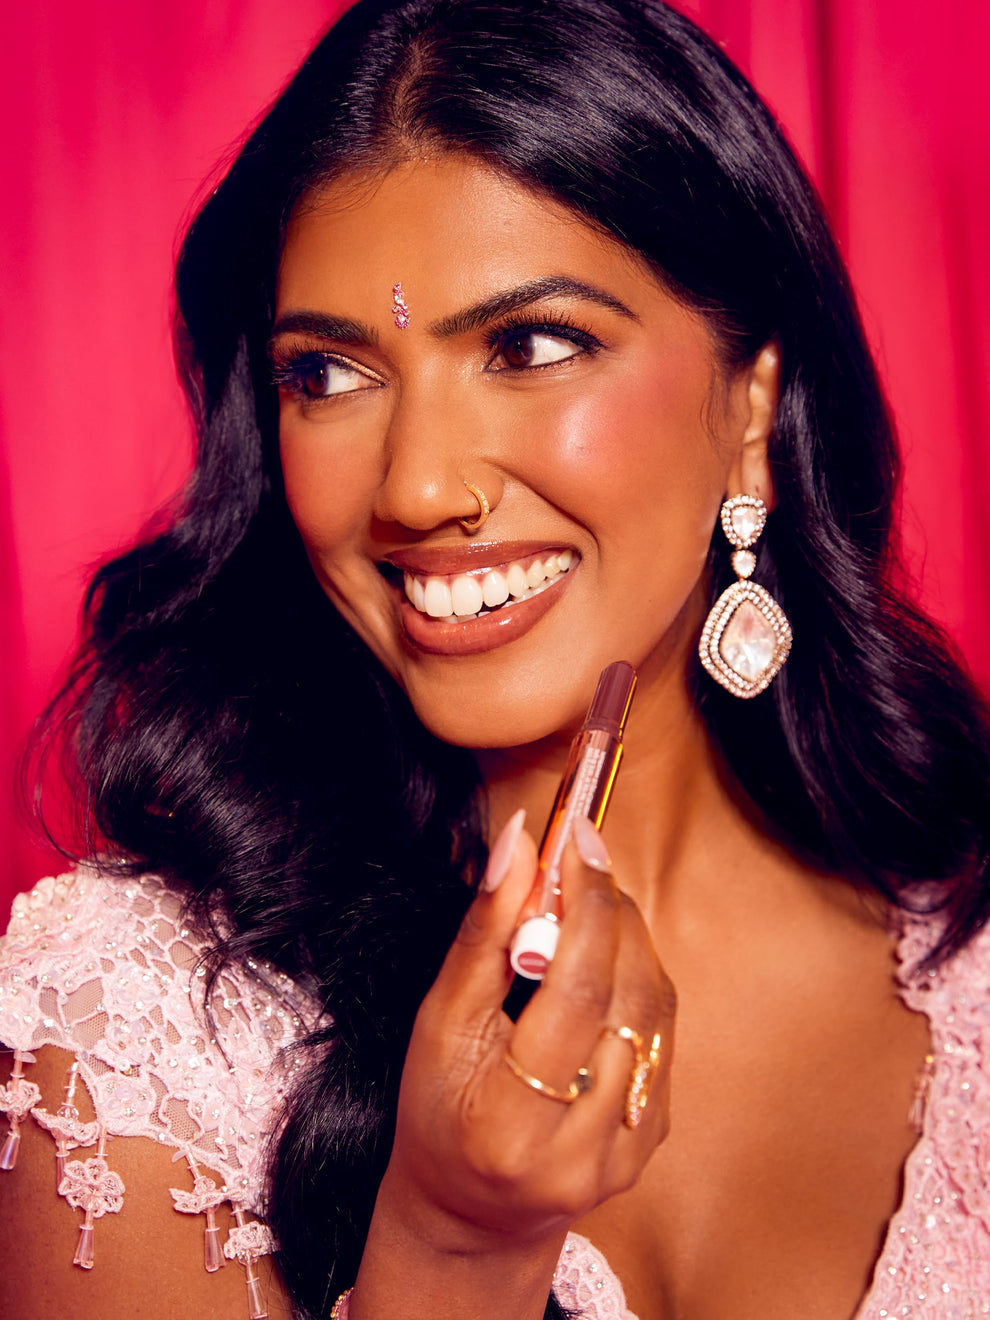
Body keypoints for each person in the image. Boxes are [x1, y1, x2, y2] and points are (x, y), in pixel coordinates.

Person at [2, 0, 989, 1316]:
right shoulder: (133, 1024)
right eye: (327, 374)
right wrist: (451, 1244)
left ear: (751, 405)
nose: (416, 488)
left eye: (528, 347)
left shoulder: (968, 968)